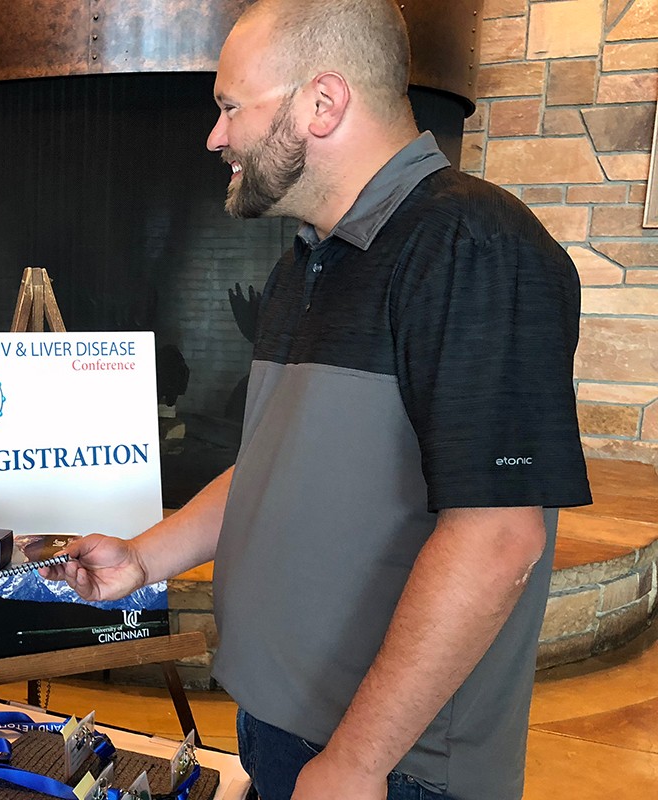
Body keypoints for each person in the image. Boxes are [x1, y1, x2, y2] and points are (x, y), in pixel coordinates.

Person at [42, 2, 591, 798]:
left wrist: (358, 762)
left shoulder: (473, 246)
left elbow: (499, 538)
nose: (215, 137)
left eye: (231, 107)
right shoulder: (309, 263)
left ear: (323, 102)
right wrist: (144, 558)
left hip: (393, 767)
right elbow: (272, 465)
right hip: (282, 729)